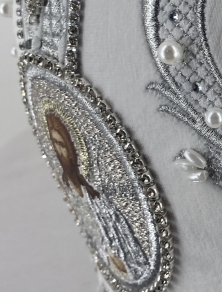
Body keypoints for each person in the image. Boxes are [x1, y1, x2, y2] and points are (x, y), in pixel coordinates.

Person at [46, 111, 151, 283]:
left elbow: (116, 228)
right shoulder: (66, 183)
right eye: (55, 144)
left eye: (62, 144)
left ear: (70, 147)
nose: (59, 150)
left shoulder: (93, 192)